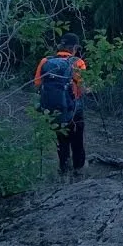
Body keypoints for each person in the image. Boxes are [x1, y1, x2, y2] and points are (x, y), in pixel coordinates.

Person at [34, 32, 88, 179]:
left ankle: (64, 170)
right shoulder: (78, 62)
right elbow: (82, 87)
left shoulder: (45, 61)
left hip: (54, 110)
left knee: (62, 141)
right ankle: (78, 171)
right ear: (74, 47)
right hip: (74, 109)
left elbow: (37, 84)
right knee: (77, 141)